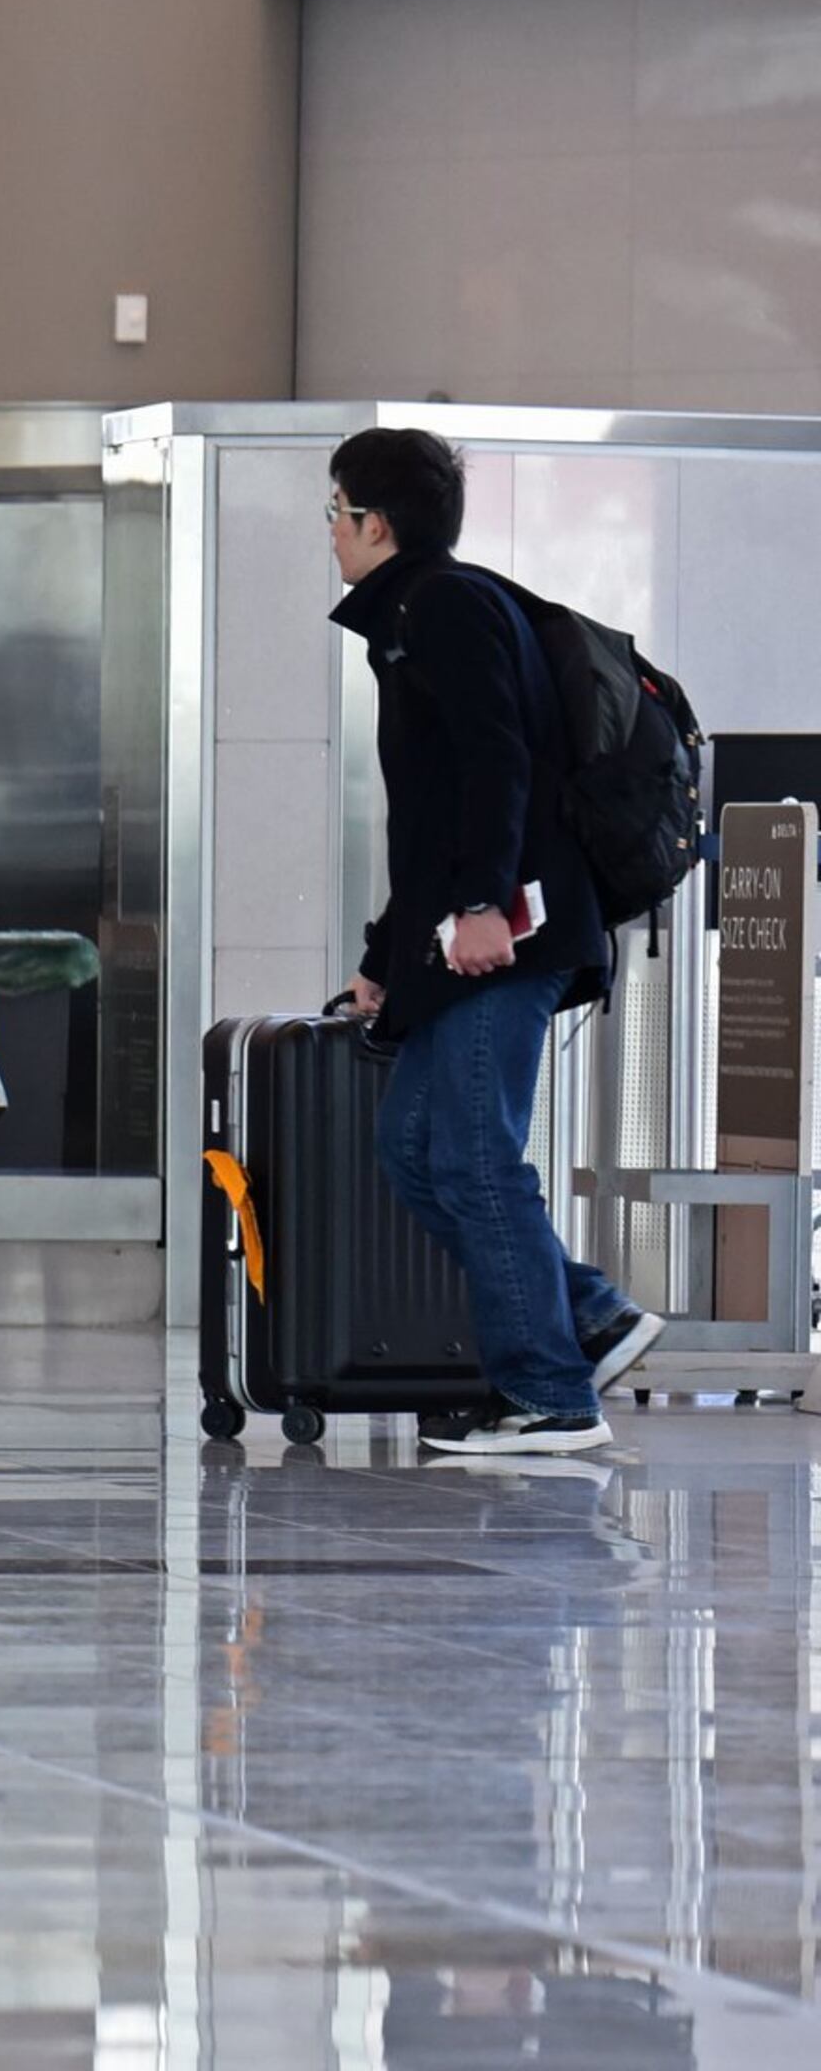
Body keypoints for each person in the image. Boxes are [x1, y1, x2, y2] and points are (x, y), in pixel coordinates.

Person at [326, 426, 658, 1456]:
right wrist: (386, 958)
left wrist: (481, 906)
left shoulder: (449, 607)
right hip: (464, 932)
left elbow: (495, 765)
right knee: (414, 1150)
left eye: (334, 517)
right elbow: (427, 818)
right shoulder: (416, 616)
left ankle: (552, 1392)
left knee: (472, 1155)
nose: (330, 537)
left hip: (512, 930)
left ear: (375, 524)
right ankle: (589, 1311)